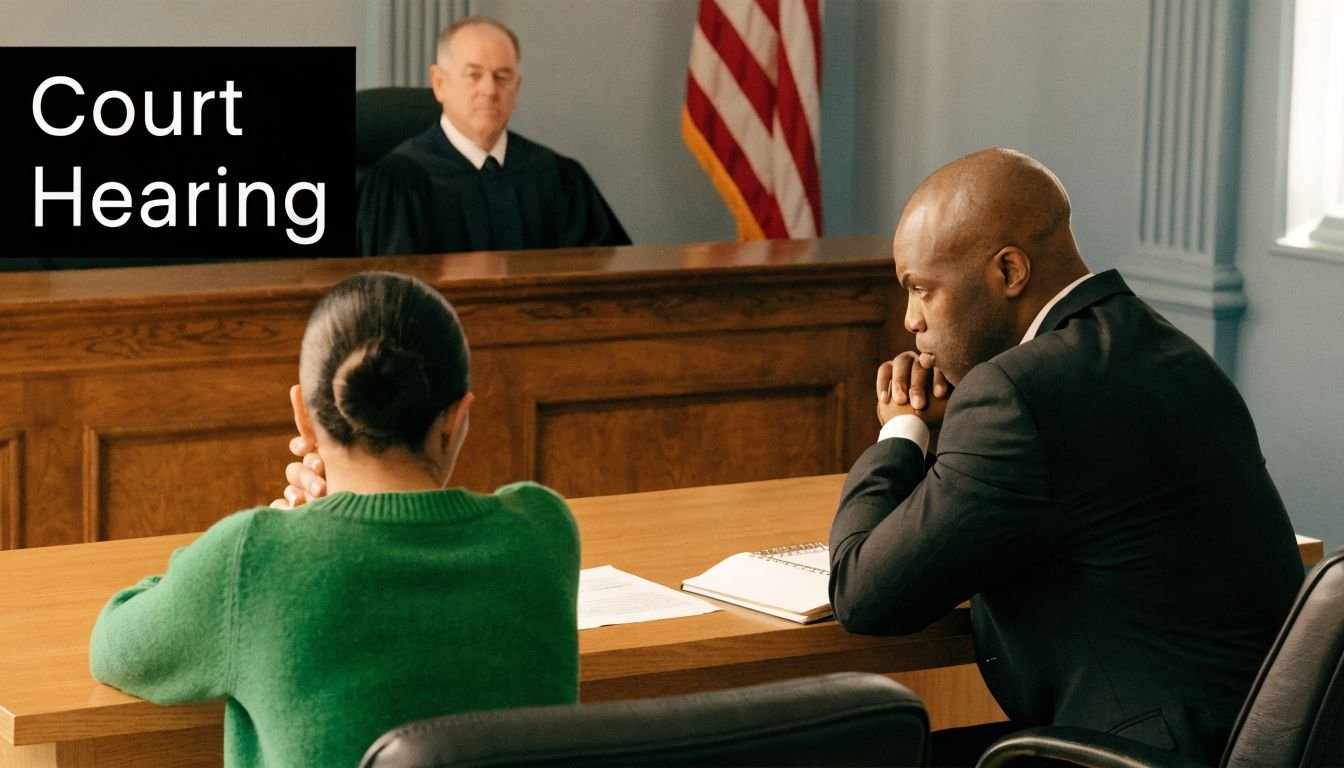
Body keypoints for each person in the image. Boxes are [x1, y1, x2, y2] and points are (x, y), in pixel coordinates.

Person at [828, 148, 1304, 765]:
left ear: (1009, 272)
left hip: (1134, 752)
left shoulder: (1016, 394)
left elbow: (864, 594)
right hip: (1245, 741)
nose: (911, 320)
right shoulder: (1164, 348)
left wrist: (902, 430)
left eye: (921, 289)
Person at [89, 271, 580, 768]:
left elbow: (114, 646)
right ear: (455, 419)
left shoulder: (252, 557)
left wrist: (284, 538)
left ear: (304, 414)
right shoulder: (544, 528)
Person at [357, 16, 630, 256]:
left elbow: (606, 282)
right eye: (474, 75)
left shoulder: (558, 177)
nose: (490, 90)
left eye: (502, 76)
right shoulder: (398, 184)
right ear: (440, 84)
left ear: (517, 87)